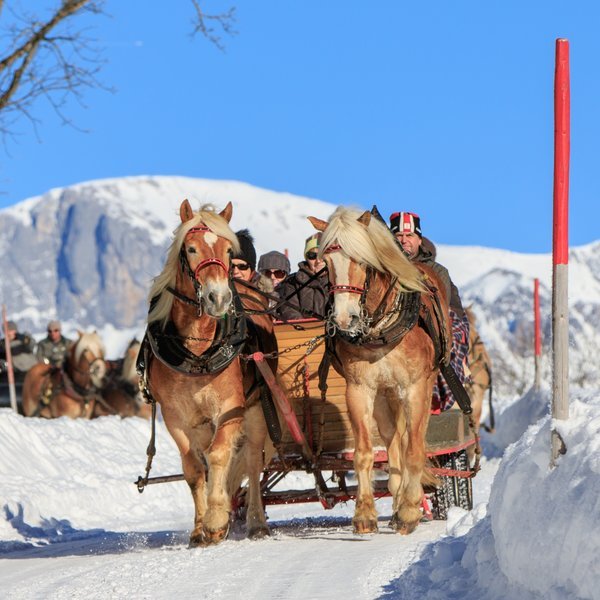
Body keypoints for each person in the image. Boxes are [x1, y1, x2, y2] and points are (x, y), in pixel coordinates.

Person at [389, 211, 470, 412]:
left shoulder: (437, 272)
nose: (404, 241)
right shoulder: (384, 270)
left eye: (409, 236)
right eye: (398, 236)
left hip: (435, 322)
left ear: (418, 240)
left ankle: (435, 400)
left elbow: (445, 308)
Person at [277, 233, 329, 320]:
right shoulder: (292, 282)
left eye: (322, 254)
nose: (318, 261)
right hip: (303, 331)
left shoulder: (339, 281)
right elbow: (289, 310)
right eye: (312, 256)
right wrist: (308, 329)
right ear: (306, 257)